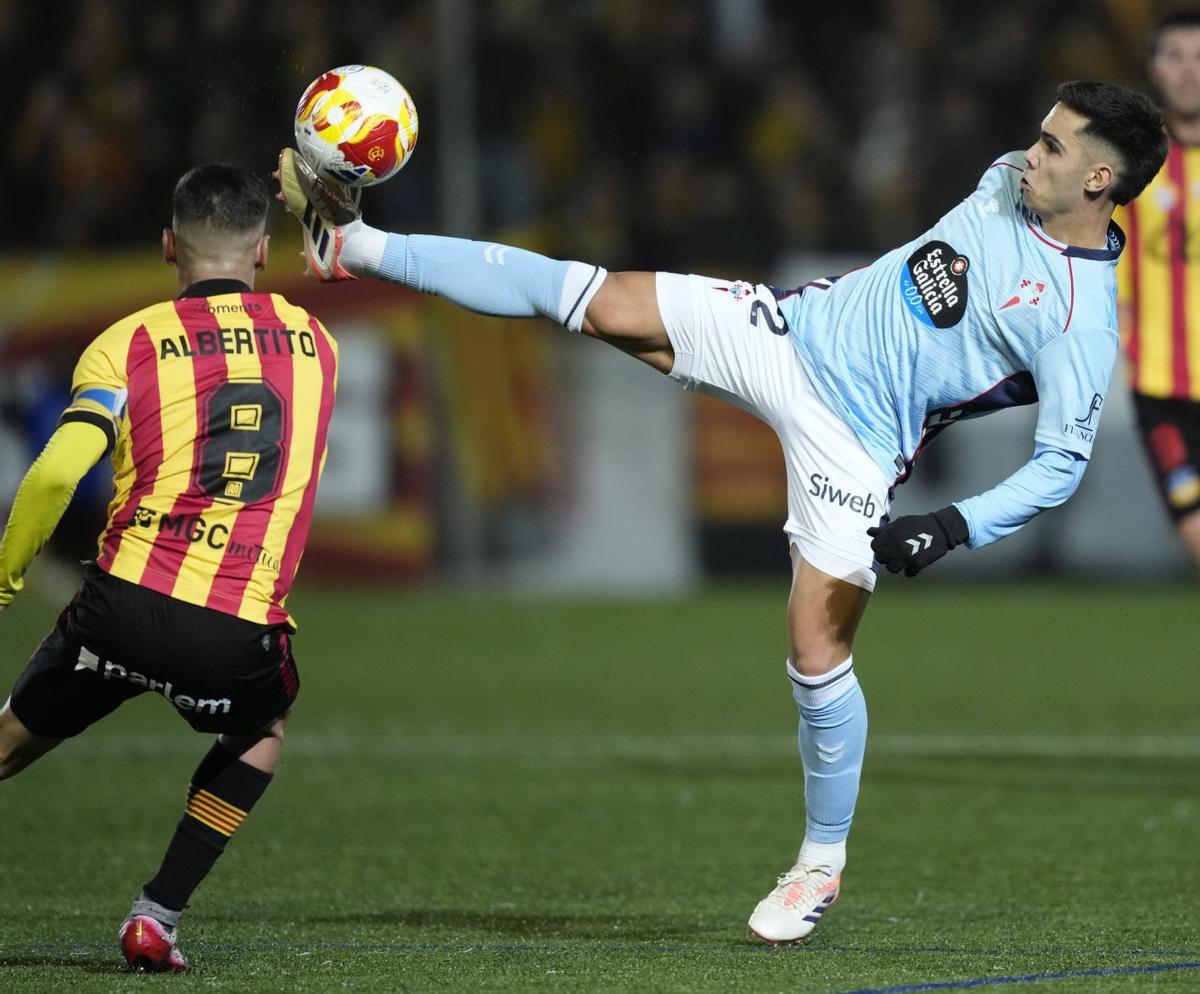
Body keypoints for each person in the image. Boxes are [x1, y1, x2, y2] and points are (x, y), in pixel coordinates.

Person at [277, 79, 1165, 944]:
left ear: (1098, 180)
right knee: (590, 293)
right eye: (1039, 134)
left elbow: (1062, 463)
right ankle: (353, 247)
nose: (1030, 151)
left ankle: (820, 862)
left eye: (1054, 145)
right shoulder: (1008, 182)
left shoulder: (1079, 323)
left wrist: (951, 525)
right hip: (786, 335)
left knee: (817, 652)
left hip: (857, 447)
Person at [0, 164, 339, 971]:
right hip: (233, 624)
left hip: (120, 602)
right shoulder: (318, 344)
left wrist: (6, 578)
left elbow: (53, 476)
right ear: (262, 249)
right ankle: (157, 916)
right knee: (260, 731)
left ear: (166, 246)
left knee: (8, 745)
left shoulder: (126, 342)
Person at [1116, 8, 1200, 571]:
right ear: (1153, 67)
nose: (1191, 71)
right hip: (1161, 389)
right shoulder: (1128, 163)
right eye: (1175, 56)